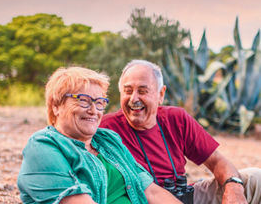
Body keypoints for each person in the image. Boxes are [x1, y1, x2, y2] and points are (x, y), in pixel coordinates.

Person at [100, 59, 261, 204]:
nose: (134, 99)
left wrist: (234, 189)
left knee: (255, 178)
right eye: (128, 91)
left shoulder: (176, 118)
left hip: (184, 195)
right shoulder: (104, 127)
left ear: (160, 94)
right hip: (140, 199)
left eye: (142, 91)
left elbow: (217, 162)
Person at [18, 66, 181, 204]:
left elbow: (151, 191)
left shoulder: (109, 140)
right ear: (56, 106)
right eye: (83, 100)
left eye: (99, 102)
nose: (94, 110)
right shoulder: (43, 147)